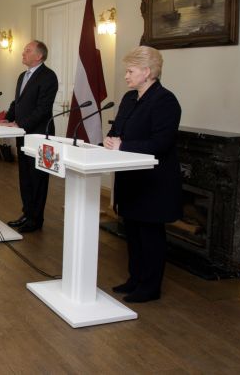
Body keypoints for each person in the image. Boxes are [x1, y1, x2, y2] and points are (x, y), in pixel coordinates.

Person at [104, 46, 181, 303]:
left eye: (130, 71)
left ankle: (150, 287)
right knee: (133, 231)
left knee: (149, 235)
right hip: (130, 178)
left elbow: (161, 143)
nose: (126, 75)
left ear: (147, 72)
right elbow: (119, 129)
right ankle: (135, 278)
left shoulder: (165, 101)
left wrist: (123, 145)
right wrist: (111, 139)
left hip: (153, 182)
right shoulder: (129, 98)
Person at [0, 40, 58, 233]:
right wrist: (7, 118)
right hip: (22, 134)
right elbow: (18, 102)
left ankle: (36, 219)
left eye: (28, 50)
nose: (23, 53)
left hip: (40, 136)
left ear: (39, 56)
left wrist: (20, 124)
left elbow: (43, 109)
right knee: (25, 177)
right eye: (24, 50)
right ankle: (27, 214)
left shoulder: (49, 76)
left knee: (38, 178)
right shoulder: (22, 76)